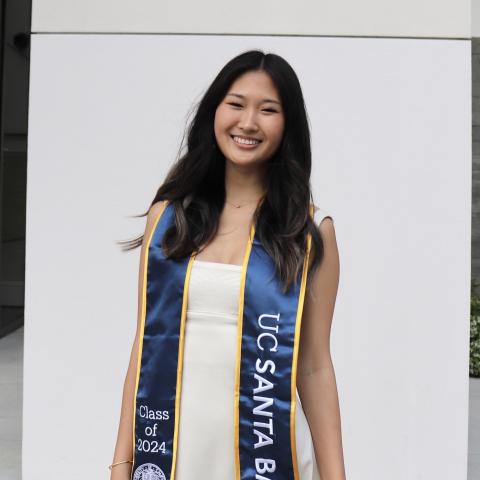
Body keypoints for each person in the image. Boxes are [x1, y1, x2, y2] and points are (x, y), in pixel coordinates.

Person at [109, 49, 345, 480]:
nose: (248, 123)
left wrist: (336, 475)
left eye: (268, 110)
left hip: (268, 452)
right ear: (214, 112)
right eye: (236, 104)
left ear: (287, 125)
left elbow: (314, 365)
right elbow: (145, 345)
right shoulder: (169, 220)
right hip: (174, 451)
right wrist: (122, 462)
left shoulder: (308, 230)